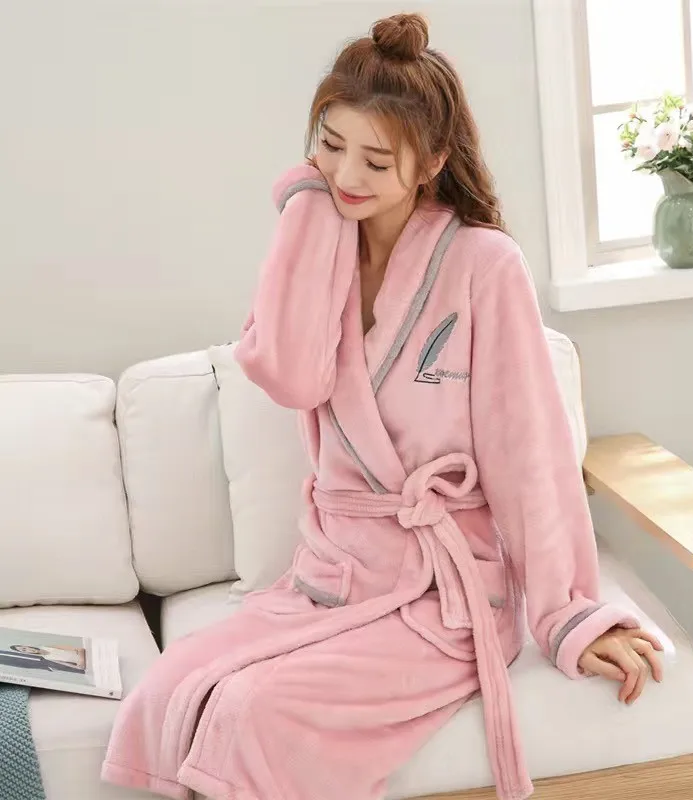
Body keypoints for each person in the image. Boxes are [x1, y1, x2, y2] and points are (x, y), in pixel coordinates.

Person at [102, 13, 663, 800]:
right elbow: (290, 377)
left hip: (440, 598)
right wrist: (305, 212)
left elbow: (529, 454)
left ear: (432, 161)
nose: (346, 176)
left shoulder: (484, 266)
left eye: (374, 159)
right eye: (330, 147)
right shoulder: (321, 241)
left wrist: (569, 614)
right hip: (331, 577)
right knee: (163, 697)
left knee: (252, 712)